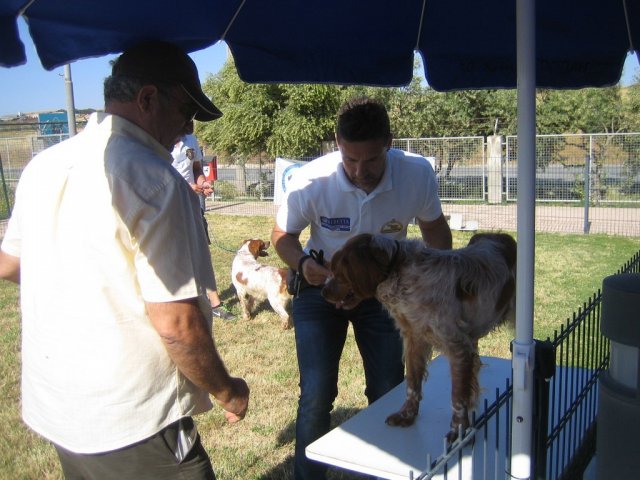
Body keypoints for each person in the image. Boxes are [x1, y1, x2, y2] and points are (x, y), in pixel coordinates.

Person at [0, 41, 249, 480]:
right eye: (185, 109)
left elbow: (10, 263)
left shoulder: (44, 165)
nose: (188, 126)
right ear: (148, 99)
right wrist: (227, 391)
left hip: (61, 408)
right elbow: (177, 325)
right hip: (133, 420)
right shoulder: (156, 181)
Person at [271, 96, 452, 480]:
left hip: (382, 292)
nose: (360, 170)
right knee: (317, 395)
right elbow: (282, 236)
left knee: (388, 387)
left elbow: (436, 231)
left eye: (371, 160)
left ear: (388, 142)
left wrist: (434, 285)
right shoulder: (311, 181)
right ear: (337, 143)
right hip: (320, 289)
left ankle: (384, 471)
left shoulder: (416, 174)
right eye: (350, 159)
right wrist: (304, 264)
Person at [171, 134, 235, 321]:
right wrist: (187, 186)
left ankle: (215, 304)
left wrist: (202, 183)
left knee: (201, 252)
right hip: (168, 205)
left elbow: (196, 168)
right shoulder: (160, 133)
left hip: (191, 203)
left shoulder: (191, 139)